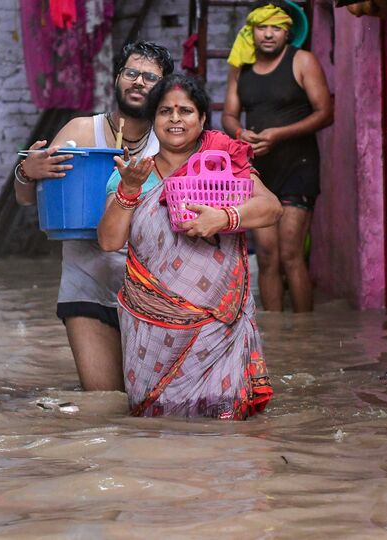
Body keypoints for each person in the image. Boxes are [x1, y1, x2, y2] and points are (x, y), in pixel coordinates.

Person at [98, 74, 283, 419]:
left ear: (201, 120)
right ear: (153, 120)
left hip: (217, 327)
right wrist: (127, 191)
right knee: (156, 429)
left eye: (186, 111)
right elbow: (109, 241)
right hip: (150, 330)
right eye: (165, 111)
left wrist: (224, 218)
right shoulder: (134, 173)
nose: (175, 119)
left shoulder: (223, 168)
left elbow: (272, 208)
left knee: (225, 429)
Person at [14, 42, 174, 391]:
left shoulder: (168, 142)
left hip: (150, 292)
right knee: (102, 403)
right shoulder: (80, 131)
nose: (138, 82)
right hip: (85, 284)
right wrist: (28, 171)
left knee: (146, 404)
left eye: (150, 77)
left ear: (163, 87)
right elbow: (27, 199)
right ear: (117, 78)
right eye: (131, 73)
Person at [222, 1, 334, 312]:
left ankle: (303, 337)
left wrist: (278, 134)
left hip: (299, 167)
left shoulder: (303, 61)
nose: (268, 34)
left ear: (288, 32)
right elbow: (230, 115)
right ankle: (276, 336)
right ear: (252, 31)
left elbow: (326, 113)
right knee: (268, 257)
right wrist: (239, 134)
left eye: (276, 28)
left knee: (290, 254)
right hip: (259, 171)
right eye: (262, 27)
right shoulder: (240, 66)